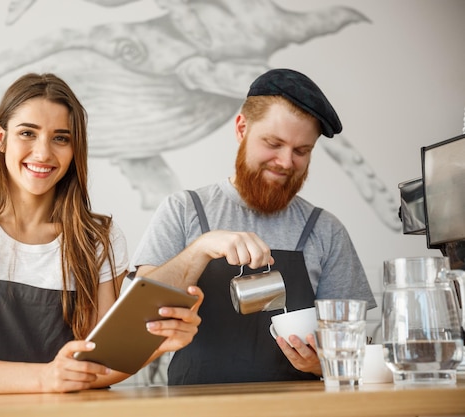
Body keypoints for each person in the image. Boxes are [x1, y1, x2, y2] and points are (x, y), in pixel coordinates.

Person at [0, 73, 203, 394]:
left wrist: (155, 343)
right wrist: (45, 378)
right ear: (0, 138)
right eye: (27, 133)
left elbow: (105, 360)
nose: (43, 153)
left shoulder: (98, 238)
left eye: (61, 138)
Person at [131, 68, 377, 385]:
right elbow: (139, 316)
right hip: (194, 408)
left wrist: (322, 365)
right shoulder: (183, 210)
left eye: (302, 151)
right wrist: (201, 248)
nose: (287, 162)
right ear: (242, 128)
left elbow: (354, 352)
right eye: (274, 143)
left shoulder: (325, 230)